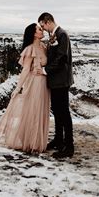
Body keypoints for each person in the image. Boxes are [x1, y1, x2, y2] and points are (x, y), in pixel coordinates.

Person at [0, 23, 50, 153]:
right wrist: (17, 88)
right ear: (34, 33)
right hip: (34, 84)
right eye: (39, 29)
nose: (41, 31)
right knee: (33, 112)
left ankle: (36, 141)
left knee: (41, 111)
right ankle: (29, 142)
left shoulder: (43, 47)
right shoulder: (30, 49)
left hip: (44, 84)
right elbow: (25, 70)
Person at [37, 12, 74, 158]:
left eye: (42, 25)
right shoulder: (54, 35)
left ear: (47, 21)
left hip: (61, 81)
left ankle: (69, 146)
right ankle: (59, 140)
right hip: (55, 81)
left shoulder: (61, 34)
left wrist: (46, 70)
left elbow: (61, 58)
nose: (42, 28)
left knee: (64, 112)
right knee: (57, 111)